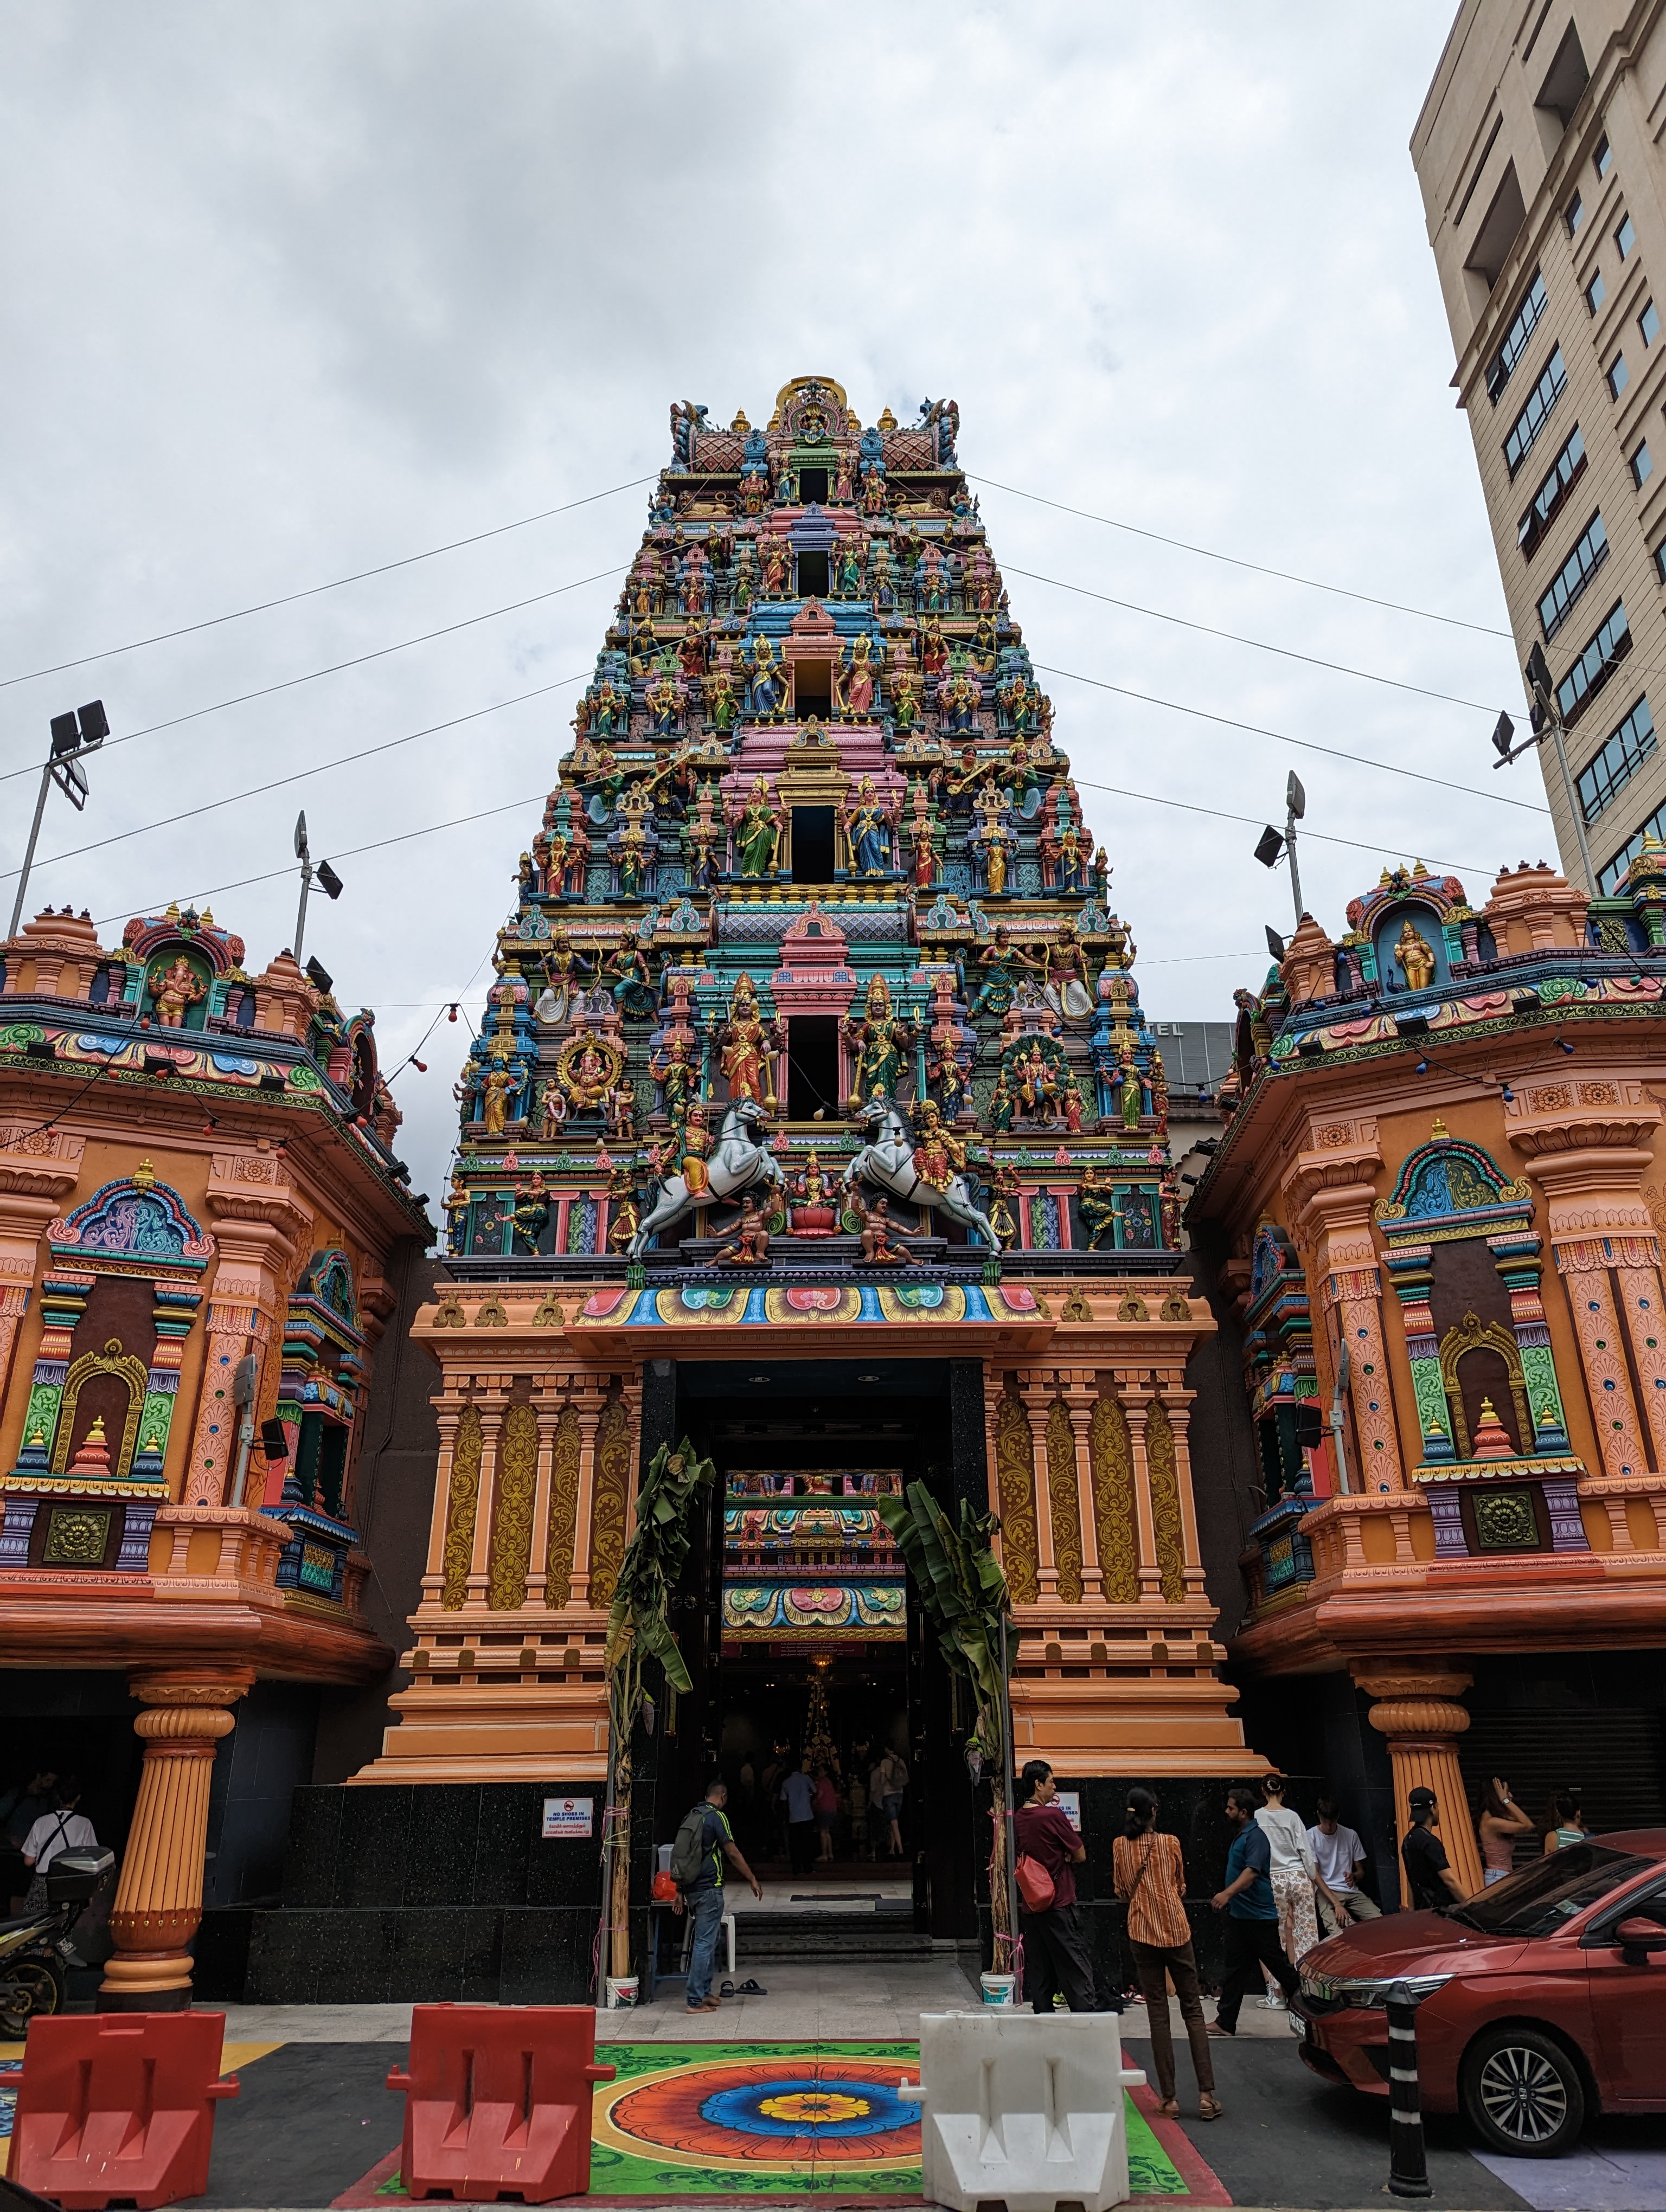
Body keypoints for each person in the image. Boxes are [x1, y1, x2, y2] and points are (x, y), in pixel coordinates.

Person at [1113, 1787, 1220, 2120]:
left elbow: (1119, 1892)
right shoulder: (1170, 1843)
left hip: (1141, 1932)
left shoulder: (1119, 1846)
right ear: (1154, 1812)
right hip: (1176, 1930)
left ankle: (1169, 2099)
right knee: (1193, 2010)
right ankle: (1206, 2096)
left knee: (1158, 2014)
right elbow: (1181, 1886)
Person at [1013, 1760, 1103, 2015]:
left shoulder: (1019, 1817)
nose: (1055, 1787)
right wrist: (1065, 1856)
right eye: (1051, 1782)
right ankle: (1085, 2018)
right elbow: (1080, 1854)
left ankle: (1043, 2018)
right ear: (1038, 1784)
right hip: (1058, 1902)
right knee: (1074, 1963)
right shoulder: (1052, 1815)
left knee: (1041, 1968)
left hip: (1032, 1902)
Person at [1210, 1785, 1298, 2036]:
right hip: (1242, 1917)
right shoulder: (1244, 1834)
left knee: (1280, 1967)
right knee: (1236, 1970)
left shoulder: (1256, 1837)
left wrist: (1227, 1894)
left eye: (1231, 1808)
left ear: (1244, 1812)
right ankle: (1225, 2022)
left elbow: (1251, 1872)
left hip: (1259, 1918)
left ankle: (1312, 2007)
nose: (1226, 1811)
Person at [677, 1776, 762, 2016]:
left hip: (693, 1889)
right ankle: (694, 2000)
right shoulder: (717, 1817)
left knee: (710, 1941)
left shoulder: (692, 1816)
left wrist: (679, 1890)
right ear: (723, 1797)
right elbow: (732, 1852)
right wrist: (751, 1878)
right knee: (705, 1944)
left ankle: (705, 1992)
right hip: (709, 1889)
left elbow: (681, 1856)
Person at [1254, 1774, 1336, 1997]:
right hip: (1299, 1877)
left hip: (1274, 1879)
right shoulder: (1292, 1817)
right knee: (1307, 1934)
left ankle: (1277, 1990)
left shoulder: (1257, 1817)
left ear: (1263, 1791)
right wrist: (1311, 1878)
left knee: (1277, 1935)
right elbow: (1305, 1852)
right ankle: (1309, 1987)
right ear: (1283, 1792)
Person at [1309, 1797, 1381, 1934]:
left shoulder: (1350, 1835)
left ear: (1338, 1817)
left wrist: (1355, 1876)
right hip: (1327, 1891)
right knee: (1337, 1933)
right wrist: (1336, 1904)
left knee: (1380, 1922)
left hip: (1351, 1891)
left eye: (1333, 1822)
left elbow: (1361, 1871)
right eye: (1325, 1822)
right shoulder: (1310, 1836)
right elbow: (1315, 1875)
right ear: (1318, 1815)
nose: (1329, 1826)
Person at [1401, 1785, 1468, 1910]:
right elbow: (1450, 1881)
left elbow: (1411, 1880)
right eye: (1438, 1807)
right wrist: (1470, 1906)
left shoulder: (1408, 1840)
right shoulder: (1429, 1842)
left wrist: (1411, 1911)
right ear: (1433, 1808)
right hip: (1440, 1911)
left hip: (1422, 1912)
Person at [1478, 1777, 1535, 1885]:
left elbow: (1520, 1820)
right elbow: (1528, 1825)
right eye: (1507, 1792)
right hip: (1497, 1877)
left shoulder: (1494, 1818)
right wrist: (1505, 1800)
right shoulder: (1491, 1822)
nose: (1511, 1796)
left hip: (1502, 1876)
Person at [781, 1758, 817, 1877]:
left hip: (794, 1817)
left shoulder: (786, 1782)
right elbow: (815, 1790)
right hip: (807, 1815)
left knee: (795, 1844)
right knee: (807, 1843)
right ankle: (808, 1867)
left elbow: (783, 1800)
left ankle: (796, 1868)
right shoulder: (806, 1779)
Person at [875, 1744, 909, 1859]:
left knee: (894, 1823)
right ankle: (891, 1850)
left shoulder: (885, 1762)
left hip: (889, 1794)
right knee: (893, 1822)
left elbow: (882, 1780)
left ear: (886, 1749)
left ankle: (900, 1850)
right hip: (900, 1794)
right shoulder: (901, 1761)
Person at [1543, 1787, 1592, 1853]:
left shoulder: (1552, 1837)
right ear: (1578, 1813)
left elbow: (1547, 1863)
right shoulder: (1588, 1838)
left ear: (1558, 1813)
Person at [813, 1767, 840, 1864]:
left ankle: (824, 1854)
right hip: (832, 1809)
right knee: (827, 1832)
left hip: (824, 1809)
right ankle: (830, 1853)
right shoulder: (830, 1782)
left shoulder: (822, 1783)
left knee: (823, 1832)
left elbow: (820, 1795)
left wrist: (814, 1803)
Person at [849, 1772, 870, 1860]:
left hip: (855, 1810)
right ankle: (862, 1849)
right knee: (862, 1829)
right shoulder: (863, 1788)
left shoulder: (853, 1789)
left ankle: (856, 1848)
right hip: (862, 1809)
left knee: (855, 1829)